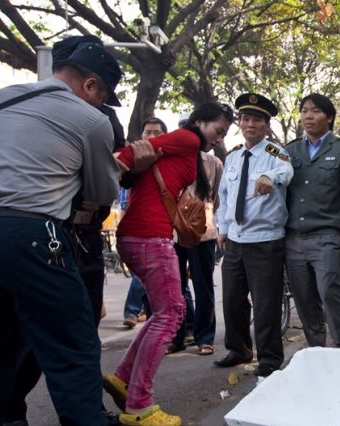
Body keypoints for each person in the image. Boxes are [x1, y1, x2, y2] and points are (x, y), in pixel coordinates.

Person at [0, 40, 122, 426]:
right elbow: (100, 193)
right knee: (72, 348)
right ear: (90, 85)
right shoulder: (92, 120)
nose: (102, 105)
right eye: (104, 96)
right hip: (31, 233)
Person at [103, 102, 232, 426]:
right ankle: (139, 405)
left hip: (145, 233)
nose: (218, 139)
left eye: (223, 135)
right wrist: (108, 175)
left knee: (165, 312)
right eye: (218, 131)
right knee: (172, 313)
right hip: (149, 234)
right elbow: (133, 154)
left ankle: (123, 379)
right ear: (199, 122)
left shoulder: (192, 151)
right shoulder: (187, 140)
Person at [215, 92, 293, 378]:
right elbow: (223, 196)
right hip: (235, 240)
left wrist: (269, 177)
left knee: (265, 304)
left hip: (265, 240)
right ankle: (239, 349)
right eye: (245, 119)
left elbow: (286, 169)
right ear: (240, 122)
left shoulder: (275, 152)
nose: (250, 124)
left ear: (266, 125)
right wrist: (222, 229)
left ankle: (270, 357)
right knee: (233, 300)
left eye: (257, 120)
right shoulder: (233, 156)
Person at [285, 93, 340, 348]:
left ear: (329, 117)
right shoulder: (289, 151)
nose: (308, 116)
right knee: (304, 299)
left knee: (330, 292)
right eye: (304, 110)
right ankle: (316, 351)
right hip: (293, 239)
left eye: (315, 111)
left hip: (326, 237)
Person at [170, 148, 225, 356]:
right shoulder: (172, 158)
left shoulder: (213, 163)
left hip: (203, 233)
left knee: (203, 286)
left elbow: (216, 197)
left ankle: (204, 338)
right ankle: (177, 337)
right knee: (175, 287)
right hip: (173, 231)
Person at [122, 117, 168, 329]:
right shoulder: (130, 160)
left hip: (163, 231)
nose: (152, 137)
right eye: (148, 132)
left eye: (157, 132)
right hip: (134, 230)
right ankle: (134, 312)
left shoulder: (169, 160)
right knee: (142, 277)